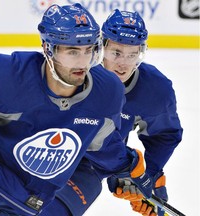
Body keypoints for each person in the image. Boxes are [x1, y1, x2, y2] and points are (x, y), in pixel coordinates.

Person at [0, 3, 153, 216]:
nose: (82, 62)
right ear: (48, 49)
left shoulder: (106, 92)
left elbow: (102, 143)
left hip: (20, 204)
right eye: (72, 52)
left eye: (88, 50)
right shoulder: (9, 76)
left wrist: (128, 169)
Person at [43, 9, 183, 216]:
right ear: (101, 48)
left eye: (132, 54)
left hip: (90, 166)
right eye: (116, 53)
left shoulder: (154, 89)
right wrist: (122, 165)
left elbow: (164, 135)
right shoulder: (75, 73)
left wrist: (148, 175)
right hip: (47, 150)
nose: (124, 64)